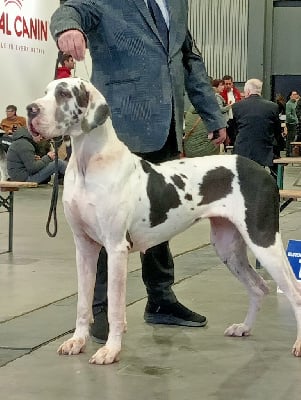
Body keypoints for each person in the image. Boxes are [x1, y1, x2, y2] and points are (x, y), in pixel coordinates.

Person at [50, 0, 226, 342]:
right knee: (101, 226)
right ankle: (99, 309)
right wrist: (67, 28)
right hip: (117, 128)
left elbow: (189, 60)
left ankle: (160, 299)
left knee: (160, 218)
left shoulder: (177, 4)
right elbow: (72, 8)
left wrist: (213, 114)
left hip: (166, 126)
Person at [232, 79, 284, 177]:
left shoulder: (236, 106)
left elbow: (235, 130)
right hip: (265, 151)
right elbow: (277, 131)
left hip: (243, 151)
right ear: (260, 91)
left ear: (247, 91)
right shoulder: (273, 106)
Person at [221, 75, 242, 146]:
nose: (228, 86)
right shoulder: (221, 94)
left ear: (232, 83)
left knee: (235, 135)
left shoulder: (236, 92)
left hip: (235, 118)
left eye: (230, 84)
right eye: (226, 84)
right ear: (223, 84)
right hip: (226, 119)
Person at [285, 90, 299, 156]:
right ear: (290, 96)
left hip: (296, 123)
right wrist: (295, 119)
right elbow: (288, 115)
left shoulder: (296, 103)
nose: (295, 95)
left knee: (294, 138)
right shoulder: (288, 104)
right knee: (290, 138)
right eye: (293, 94)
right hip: (291, 124)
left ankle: (294, 152)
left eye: (296, 94)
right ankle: (288, 152)